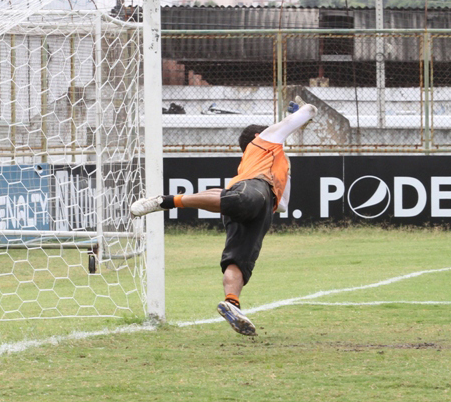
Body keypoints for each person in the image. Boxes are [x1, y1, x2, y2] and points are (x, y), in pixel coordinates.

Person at [130, 97, 318, 336]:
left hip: (263, 205)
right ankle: (167, 201)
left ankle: (232, 303)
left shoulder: (275, 158)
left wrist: (289, 147)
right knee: (235, 199)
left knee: (239, 261)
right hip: (255, 191)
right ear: (257, 137)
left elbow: (283, 206)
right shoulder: (264, 140)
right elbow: (311, 109)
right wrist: (301, 112)